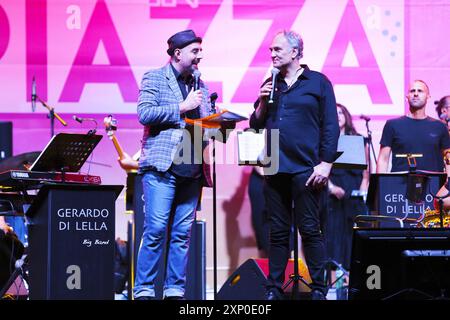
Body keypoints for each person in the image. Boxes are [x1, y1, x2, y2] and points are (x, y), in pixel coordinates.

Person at [249, 30, 339, 300]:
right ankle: (274, 290)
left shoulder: (318, 82)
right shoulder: (270, 82)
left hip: (307, 169)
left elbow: (331, 126)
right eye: (271, 50)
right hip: (275, 167)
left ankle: (319, 290)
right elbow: (255, 123)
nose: (272, 54)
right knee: (277, 232)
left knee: (310, 229)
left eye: (277, 49)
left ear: (295, 52)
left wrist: (325, 165)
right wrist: (263, 101)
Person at [133, 29, 217, 300]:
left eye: (200, 51)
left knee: (182, 234)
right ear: (178, 53)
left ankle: (174, 291)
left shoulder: (200, 85)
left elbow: (206, 127)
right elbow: (144, 114)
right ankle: (144, 290)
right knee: (156, 229)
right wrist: (182, 107)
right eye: (195, 51)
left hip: (192, 169)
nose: (199, 56)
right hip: (162, 168)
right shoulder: (155, 77)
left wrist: (219, 123)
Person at [325, 103, 369, 271]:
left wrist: (362, 190)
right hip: (332, 191)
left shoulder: (358, 139)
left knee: (353, 235)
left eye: (340, 112)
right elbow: (320, 166)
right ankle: (333, 281)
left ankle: (352, 279)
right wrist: (331, 188)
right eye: (334, 112)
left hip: (354, 191)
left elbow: (366, 171)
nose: (337, 115)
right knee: (333, 236)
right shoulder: (325, 139)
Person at [377, 80, 450, 174]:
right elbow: (383, 159)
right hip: (400, 184)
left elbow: (448, 160)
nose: (416, 94)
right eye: (412, 91)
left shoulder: (440, 127)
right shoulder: (392, 125)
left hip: (434, 185)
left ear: (428, 96)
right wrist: (381, 186)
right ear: (407, 97)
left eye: (420, 91)